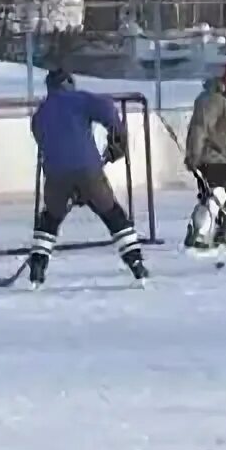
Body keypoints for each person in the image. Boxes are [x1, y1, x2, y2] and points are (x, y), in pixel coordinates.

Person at [26, 68, 148, 288]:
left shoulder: (41, 113)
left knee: (50, 219)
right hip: (88, 171)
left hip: (56, 175)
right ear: (70, 84)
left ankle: (37, 266)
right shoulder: (79, 99)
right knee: (113, 214)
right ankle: (136, 262)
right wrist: (117, 140)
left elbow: (42, 140)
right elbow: (107, 108)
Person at [183, 58, 226, 249]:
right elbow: (199, 127)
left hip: (220, 157)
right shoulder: (213, 99)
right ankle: (200, 232)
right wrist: (193, 156)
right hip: (206, 156)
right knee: (216, 193)